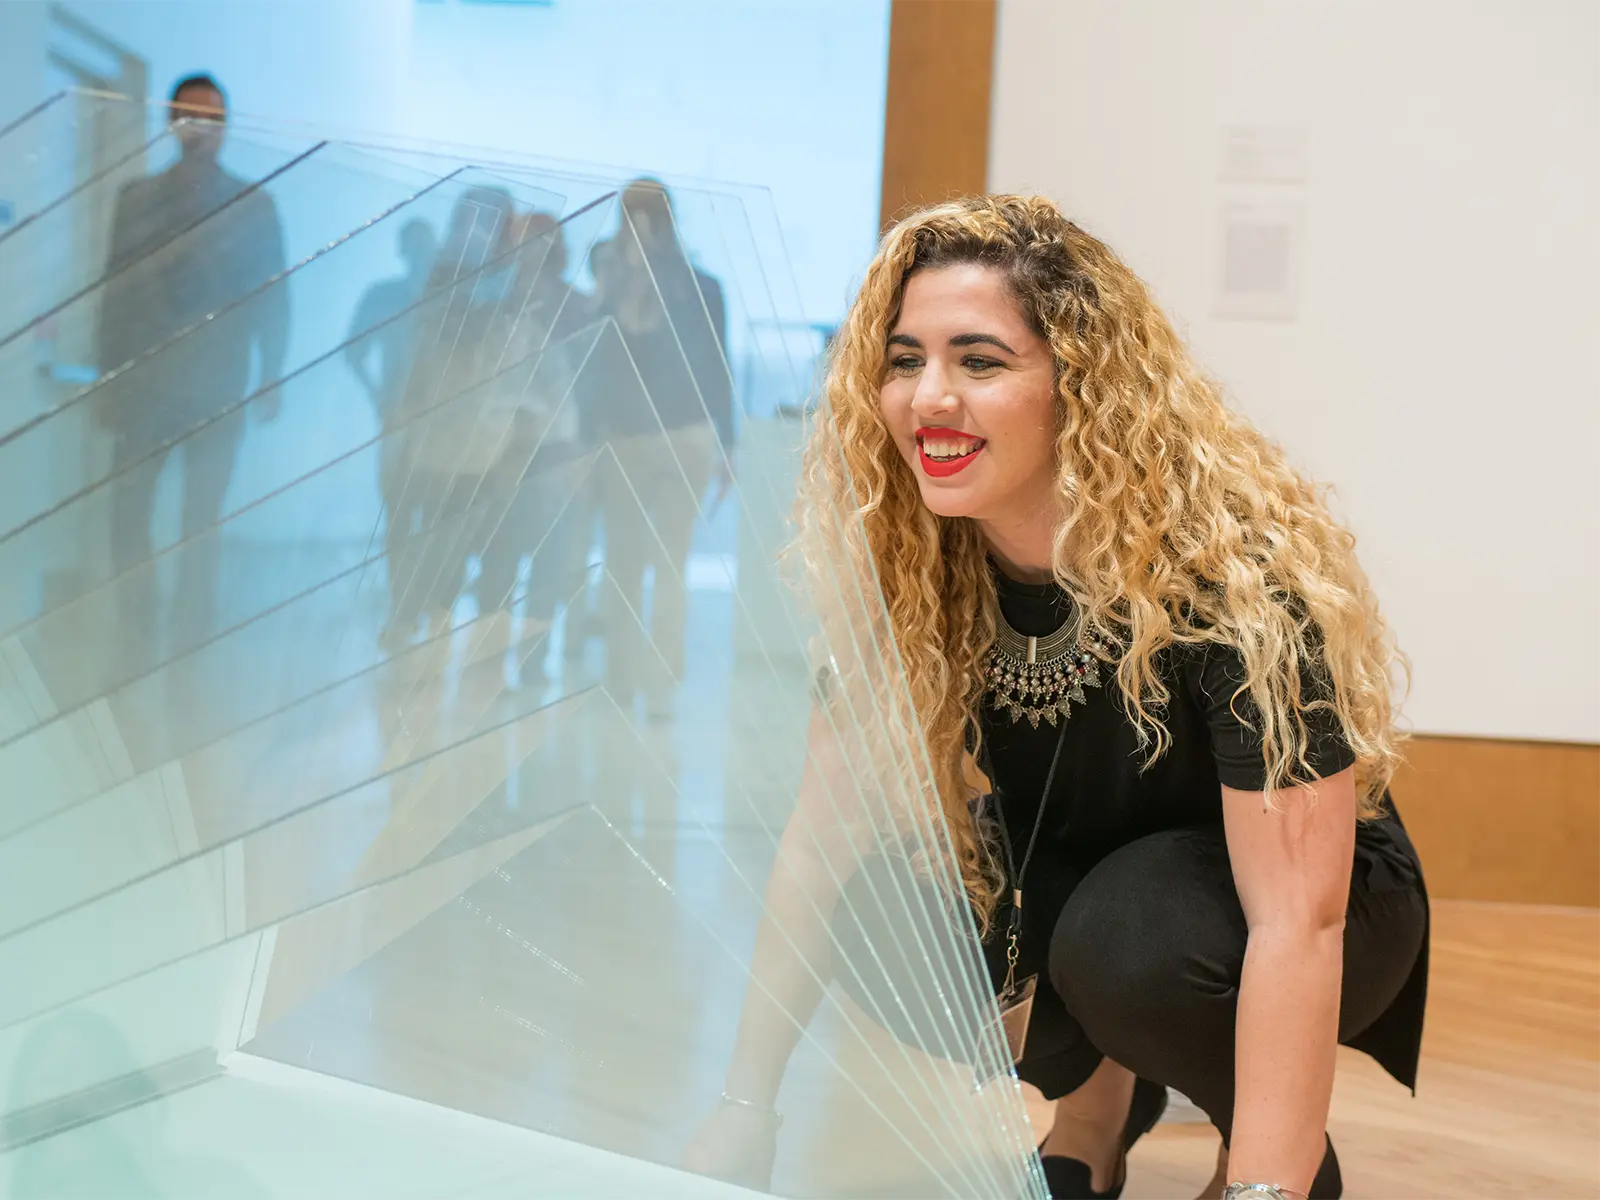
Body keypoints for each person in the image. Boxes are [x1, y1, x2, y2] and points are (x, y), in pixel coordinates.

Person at [683, 196, 1427, 1200]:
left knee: (1129, 943)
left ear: (1078, 384)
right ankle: (1096, 1112)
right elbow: (821, 842)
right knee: (887, 915)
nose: (927, 398)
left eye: (978, 362)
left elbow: (1299, 920)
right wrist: (742, 1112)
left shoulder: (1233, 584)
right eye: (905, 359)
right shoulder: (912, 571)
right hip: (1091, 884)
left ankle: (1272, 1153)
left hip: (1300, 907)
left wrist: (1266, 1191)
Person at [96, 73, 287, 644]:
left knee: (201, 518)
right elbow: (116, 292)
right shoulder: (136, 201)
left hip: (217, 387)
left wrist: (272, 375)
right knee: (128, 513)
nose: (200, 131)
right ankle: (137, 621)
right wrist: (108, 380)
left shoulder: (254, 205)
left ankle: (192, 627)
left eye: (211, 120)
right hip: (145, 387)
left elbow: (272, 295)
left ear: (226, 128)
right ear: (171, 122)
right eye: (189, 117)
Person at [580, 178, 735, 719]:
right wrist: (728, 443)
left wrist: (728, 444)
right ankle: (646, 684)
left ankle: (637, 682)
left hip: (655, 436)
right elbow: (717, 369)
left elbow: (714, 365)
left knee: (640, 562)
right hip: (652, 435)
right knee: (656, 563)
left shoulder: (682, 285)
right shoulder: (626, 277)